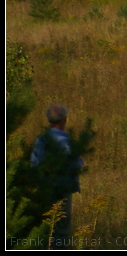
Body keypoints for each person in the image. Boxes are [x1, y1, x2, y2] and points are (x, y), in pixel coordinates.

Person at [30, 104, 84, 250]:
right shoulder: (67, 141)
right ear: (65, 119)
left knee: (43, 226)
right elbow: (77, 164)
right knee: (61, 228)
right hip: (63, 188)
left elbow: (34, 164)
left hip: (44, 188)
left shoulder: (41, 140)